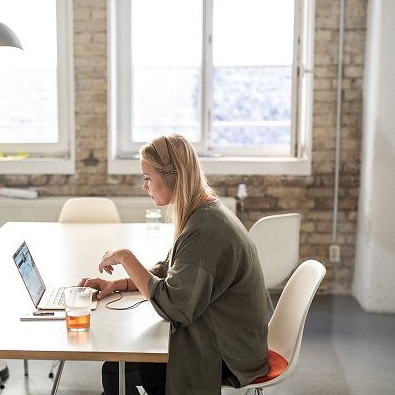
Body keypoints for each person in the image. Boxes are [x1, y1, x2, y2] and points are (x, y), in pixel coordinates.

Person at [80, 134, 269, 395]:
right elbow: (171, 269)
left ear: (171, 177)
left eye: (147, 177)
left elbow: (174, 307)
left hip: (231, 355)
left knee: (116, 369)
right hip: (236, 340)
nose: (144, 186)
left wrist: (125, 256)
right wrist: (119, 284)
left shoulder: (204, 229)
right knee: (118, 366)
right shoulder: (204, 212)